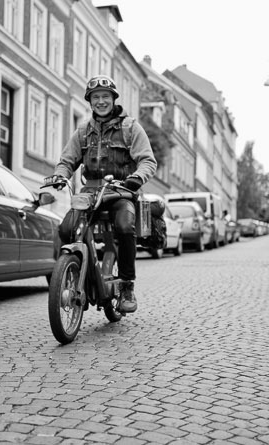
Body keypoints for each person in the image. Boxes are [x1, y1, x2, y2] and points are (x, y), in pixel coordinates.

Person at [45, 75, 157, 313]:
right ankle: (76, 275)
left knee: (125, 228)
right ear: (90, 101)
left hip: (121, 191)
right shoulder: (83, 131)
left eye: (105, 96)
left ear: (114, 98)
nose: (101, 101)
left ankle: (127, 285)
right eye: (96, 98)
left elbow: (147, 160)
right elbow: (67, 160)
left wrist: (136, 178)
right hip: (91, 192)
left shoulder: (130, 128)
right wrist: (60, 175)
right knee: (66, 229)